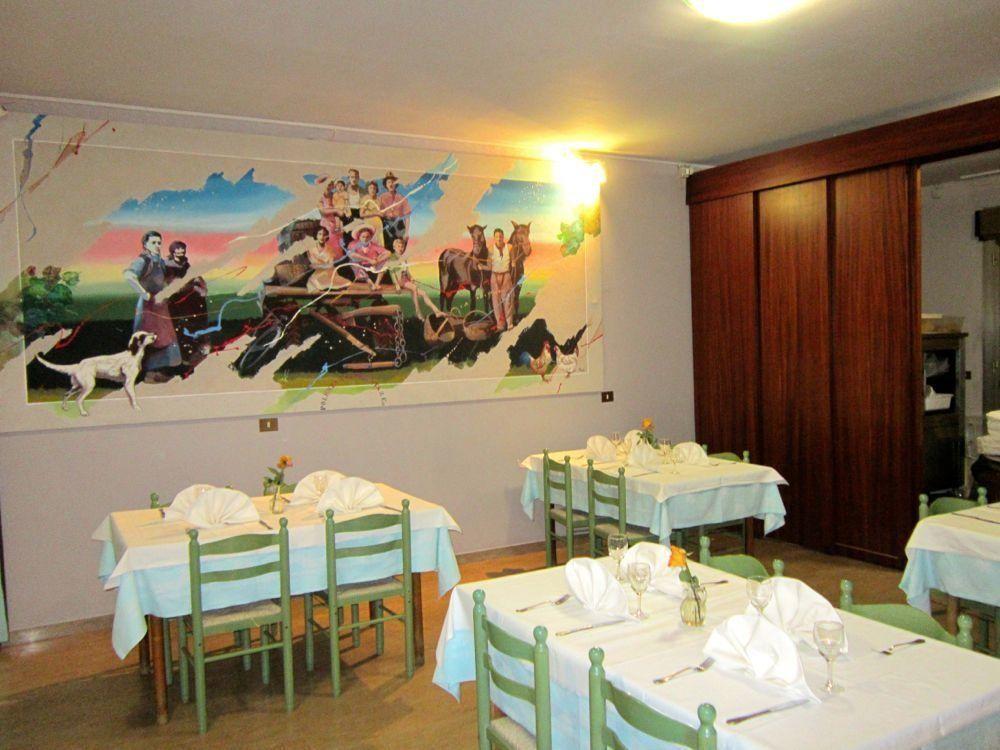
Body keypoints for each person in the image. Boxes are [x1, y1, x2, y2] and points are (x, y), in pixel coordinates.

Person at [122, 230, 182, 380]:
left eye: (159, 243)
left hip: (160, 306)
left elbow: (162, 280)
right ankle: (141, 372)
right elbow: (129, 275)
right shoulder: (143, 261)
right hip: (148, 308)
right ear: (145, 244)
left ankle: (157, 371)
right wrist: (144, 294)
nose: (157, 245)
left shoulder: (160, 261)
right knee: (147, 340)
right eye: (153, 242)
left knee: (167, 339)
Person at [386, 237, 441, 320]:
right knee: (414, 288)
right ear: (394, 247)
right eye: (398, 247)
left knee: (423, 293)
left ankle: (436, 311)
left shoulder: (403, 257)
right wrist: (396, 284)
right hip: (400, 280)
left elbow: (407, 269)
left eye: (402, 247)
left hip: (406, 280)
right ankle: (418, 312)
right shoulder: (392, 258)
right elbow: (392, 272)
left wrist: (411, 277)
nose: (401, 248)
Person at [305, 226, 349, 292]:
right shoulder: (311, 249)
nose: (322, 237)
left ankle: (331, 287)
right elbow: (313, 263)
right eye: (320, 234)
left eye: (324, 235)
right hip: (318, 273)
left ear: (327, 236)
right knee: (314, 281)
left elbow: (330, 265)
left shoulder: (330, 249)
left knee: (340, 283)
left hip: (329, 272)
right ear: (316, 235)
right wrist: (318, 265)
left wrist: (319, 265)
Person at [346, 226, 390, 290]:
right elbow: (351, 254)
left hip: (373, 265)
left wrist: (377, 260)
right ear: (359, 237)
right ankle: (371, 284)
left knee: (385, 261)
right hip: (361, 265)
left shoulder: (374, 245)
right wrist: (369, 259)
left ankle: (377, 283)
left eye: (367, 237)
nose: (365, 239)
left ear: (371, 237)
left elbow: (388, 253)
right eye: (363, 237)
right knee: (352, 262)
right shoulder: (353, 244)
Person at [489, 228, 515, 331]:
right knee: (496, 302)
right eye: (497, 236)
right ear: (494, 238)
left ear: (503, 237)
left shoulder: (510, 247)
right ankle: (500, 325)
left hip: (506, 275)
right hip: (494, 276)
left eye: (500, 236)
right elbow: (489, 266)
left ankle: (509, 324)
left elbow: (513, 261)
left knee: (507, 300)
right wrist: (481, 266)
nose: (499, 238)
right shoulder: (490, 249)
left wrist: (513, 263)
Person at [377, 171, 411, 249]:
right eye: (388, 182)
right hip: (387, 225)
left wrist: (406, 232)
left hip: (399, 225)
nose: (391, 184)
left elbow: (407, 216)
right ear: (386, 185)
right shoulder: (382, 197)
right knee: (387, 248)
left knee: (401, 248)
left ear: (395, 184)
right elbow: (379, 214)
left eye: (392, 182)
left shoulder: (401, 198)